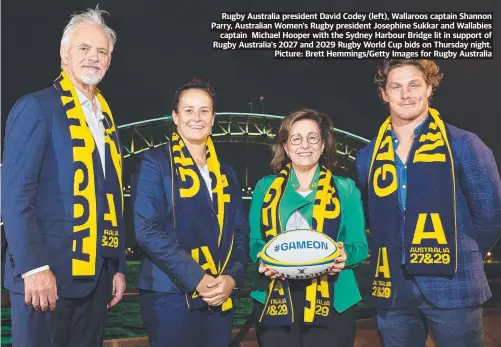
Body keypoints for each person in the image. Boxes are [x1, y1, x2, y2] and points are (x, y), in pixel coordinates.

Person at [1, 6, 126, 347]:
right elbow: (14, 196)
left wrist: (116, 266)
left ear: (109, 60)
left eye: (102, 51)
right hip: (45, 281)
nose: (93, 58)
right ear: (64, 53)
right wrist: (32, 268)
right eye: (84, 49)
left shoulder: (106, 119)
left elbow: (109, 196)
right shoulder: (36, 107)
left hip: (95, 281)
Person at [356, 59, 501, 347]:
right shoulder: (368, 156)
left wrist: (458, 253)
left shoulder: (463, 143)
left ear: (430, 89)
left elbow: (491, 214)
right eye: (396, 87)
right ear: (384, 94)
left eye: (414, 85)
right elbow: (374, 217)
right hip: (393, 289)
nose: (405, 94)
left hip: (454, 286)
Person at [133, 78, 250, 347]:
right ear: (175, 117)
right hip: (170, 297)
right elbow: (147, 230)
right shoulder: (154, 162)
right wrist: (198, 278)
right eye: (188, 110)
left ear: (213, 118)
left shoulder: (226, 172)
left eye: (204, 111)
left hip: (220, 295)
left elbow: (240, 232)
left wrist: (232, 277)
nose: (196, 118)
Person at [248, 108, 368, 347]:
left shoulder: (346, 189)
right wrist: (263, 258)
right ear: (285, 146)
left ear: (323, 145)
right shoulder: (264, 187)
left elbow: (360, 246)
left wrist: (346, 255)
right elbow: (254, 243)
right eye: (296, 138)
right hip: (275, 297)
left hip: (335, 298)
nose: (305, 145)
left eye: (312, 137)